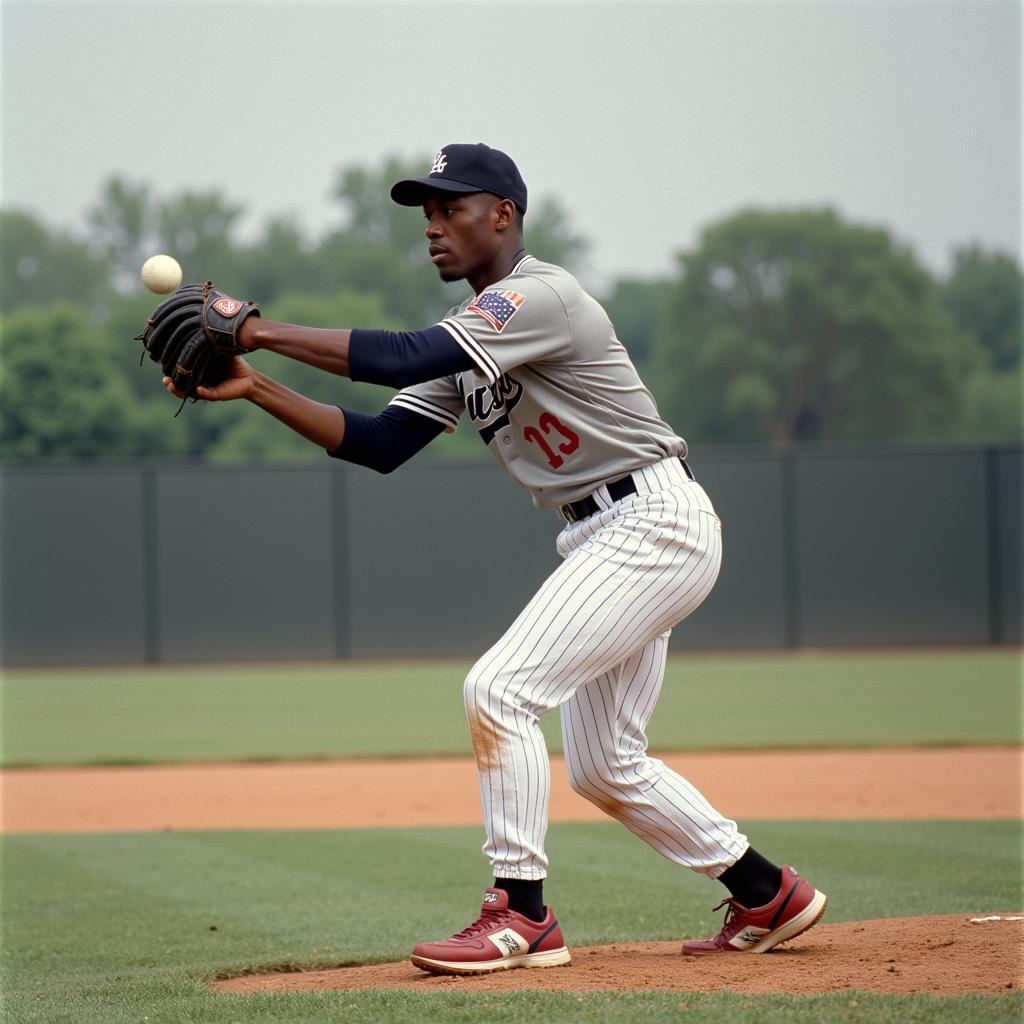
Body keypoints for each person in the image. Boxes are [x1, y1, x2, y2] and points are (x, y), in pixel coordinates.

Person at [162, 143, 827, 974]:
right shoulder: (477, 339)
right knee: (605, 766)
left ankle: (522, 914)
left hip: (651, 518)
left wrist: (252, 328)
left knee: (500, 689)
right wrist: (256, 384)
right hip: (605, 530)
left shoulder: (540, 296)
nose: (434, 228)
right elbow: (380, 442)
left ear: (503, 214)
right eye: (427, 215)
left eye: (452, 209)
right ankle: (768, 892)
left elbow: (405, 353)